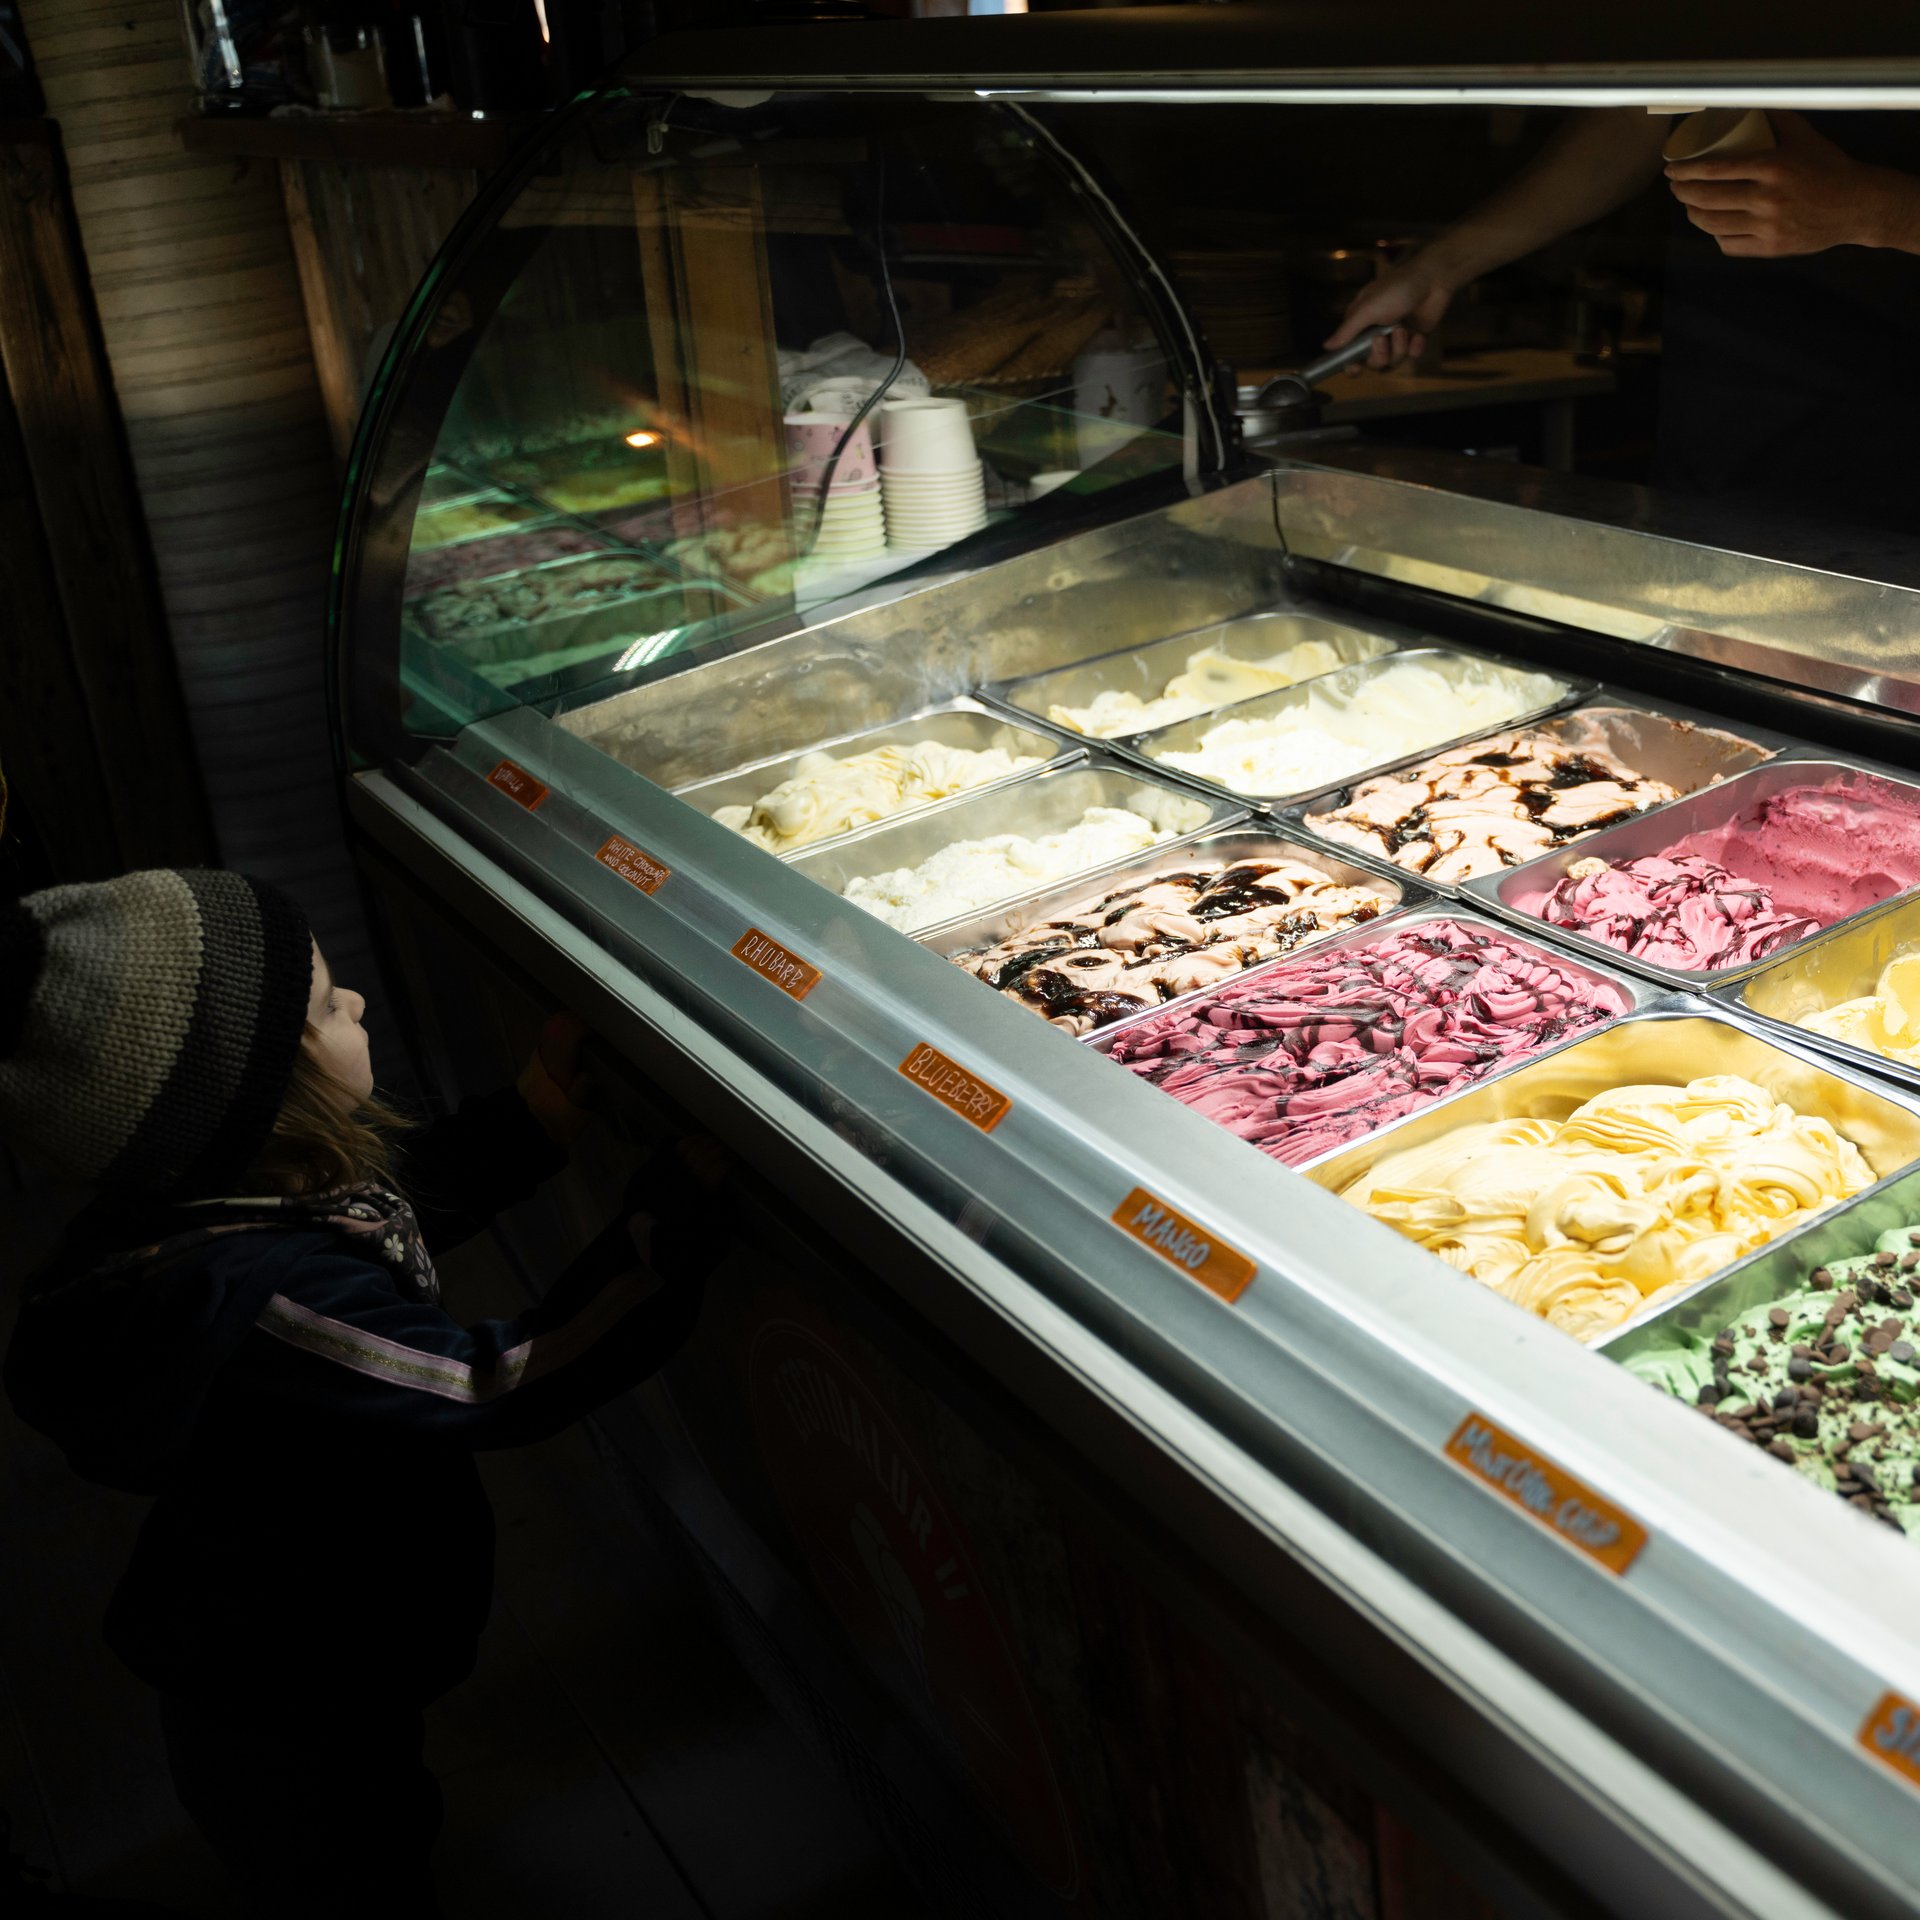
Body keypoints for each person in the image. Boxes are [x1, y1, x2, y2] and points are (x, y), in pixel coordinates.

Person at [0, 869, 725, 1916]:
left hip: (310, 1625)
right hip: (285, 1681)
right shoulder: (263, 1301)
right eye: (328, 1006)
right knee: (352, 1860)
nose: (357, 1002)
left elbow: (385, 1206)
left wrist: (535, 1116)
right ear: (259, 1095)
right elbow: (483, 1385)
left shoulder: (217, 1192)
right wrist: (655, 1247)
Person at [1325, 107, 1920, 528]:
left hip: (1897, 428)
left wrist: (1881, 211)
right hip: (1725, 413)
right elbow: (1639, 119)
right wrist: (1437, 269)